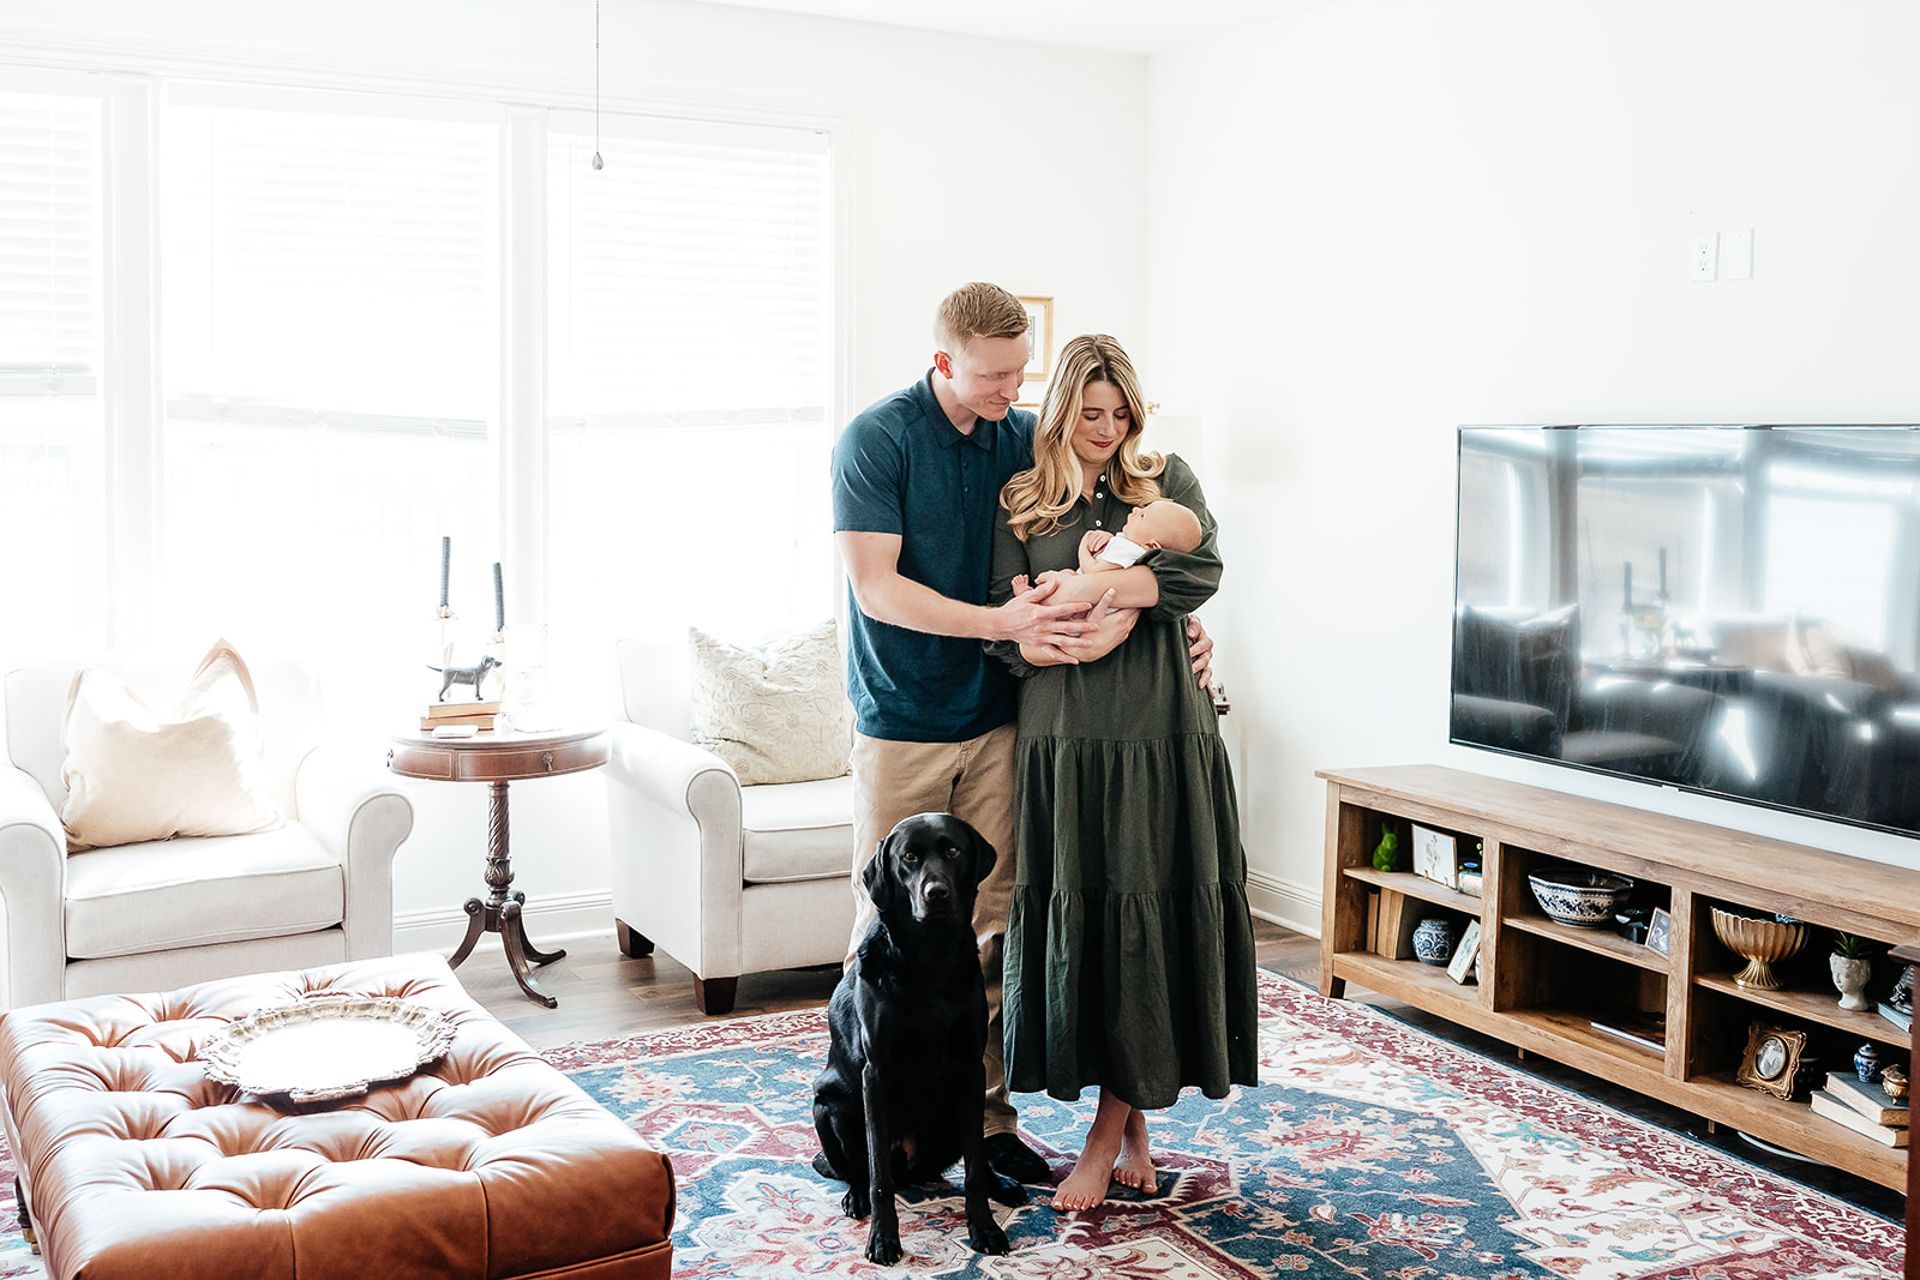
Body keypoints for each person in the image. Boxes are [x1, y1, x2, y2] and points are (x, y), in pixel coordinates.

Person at [831, 284, 1215, 1184]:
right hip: (903, 717)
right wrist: (1007, 627)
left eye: (1019, 371)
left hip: (1005, 720)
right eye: (993, 374)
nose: (1012, 389)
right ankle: (864, 1108)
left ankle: (986, 1120)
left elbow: (1149, 537)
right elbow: (877, 590)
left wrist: (1186, 628)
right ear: (943, 363)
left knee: (993, 926)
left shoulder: (1022, 439)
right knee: (882, 927)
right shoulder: (876, 440)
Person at [988, 332, 1259, 1212]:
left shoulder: (1167, 479)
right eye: (1090, 413)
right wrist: (1074, 611)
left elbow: (1204, 570)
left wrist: (1111, 590)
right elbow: (1010, 625)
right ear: (1062, 412)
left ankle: (1105, 1137)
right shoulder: (1023, 500)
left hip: (1159, 732)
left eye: (1120, 414)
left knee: (1147, 907)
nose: (1106, 429)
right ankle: (1133, 1121)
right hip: (1065, 741)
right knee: (1095, 916)